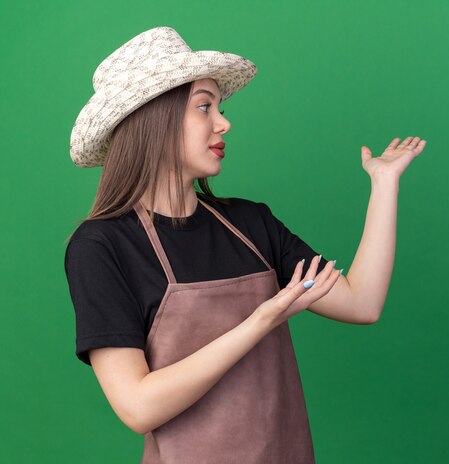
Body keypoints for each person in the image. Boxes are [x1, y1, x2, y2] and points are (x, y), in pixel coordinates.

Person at [64, 26, 427, 464]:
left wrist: (384, 185)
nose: (224, 122)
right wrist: (261, 321)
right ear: (153, 120)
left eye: (218, 106)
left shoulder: (250, 223)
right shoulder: (103, 245)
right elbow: (138, 407)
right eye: (204, 106)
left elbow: (362, 304)